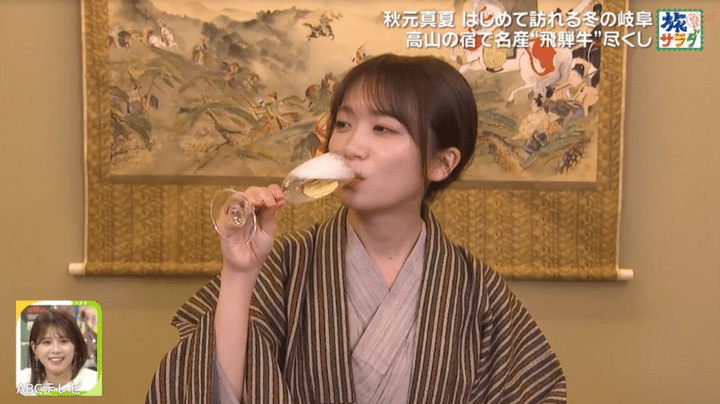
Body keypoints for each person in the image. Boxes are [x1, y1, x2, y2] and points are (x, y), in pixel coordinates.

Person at [146, 54, 566, 403]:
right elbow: (209, 391)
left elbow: (535, 391)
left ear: (442, 163)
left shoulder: (476, 290)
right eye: (343, 125)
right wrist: (240, 274)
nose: (350, 147)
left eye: (383, 128)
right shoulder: (287, 266)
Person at [16, 308, 98, 395]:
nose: (56, 350)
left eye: (64, 341)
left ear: (76, 347)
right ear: (35, 349)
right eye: (47, 342)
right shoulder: (22, 381)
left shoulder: (94, 382)